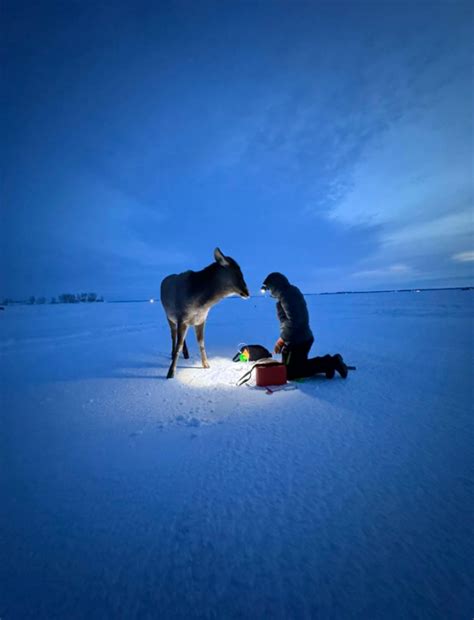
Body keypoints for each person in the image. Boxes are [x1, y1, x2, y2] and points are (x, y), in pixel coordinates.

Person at [261, 272, 348, 380]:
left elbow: (295, 320)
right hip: (296, 338)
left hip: (299, 340)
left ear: (275, 285)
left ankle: (331, 362)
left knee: (291, 373)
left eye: (269, 288)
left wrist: (282, 339)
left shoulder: (288, 295)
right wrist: (284, 339)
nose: (269, 291)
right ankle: (327, 366)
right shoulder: (287, 294)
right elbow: (288, 320)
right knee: (290, 367)